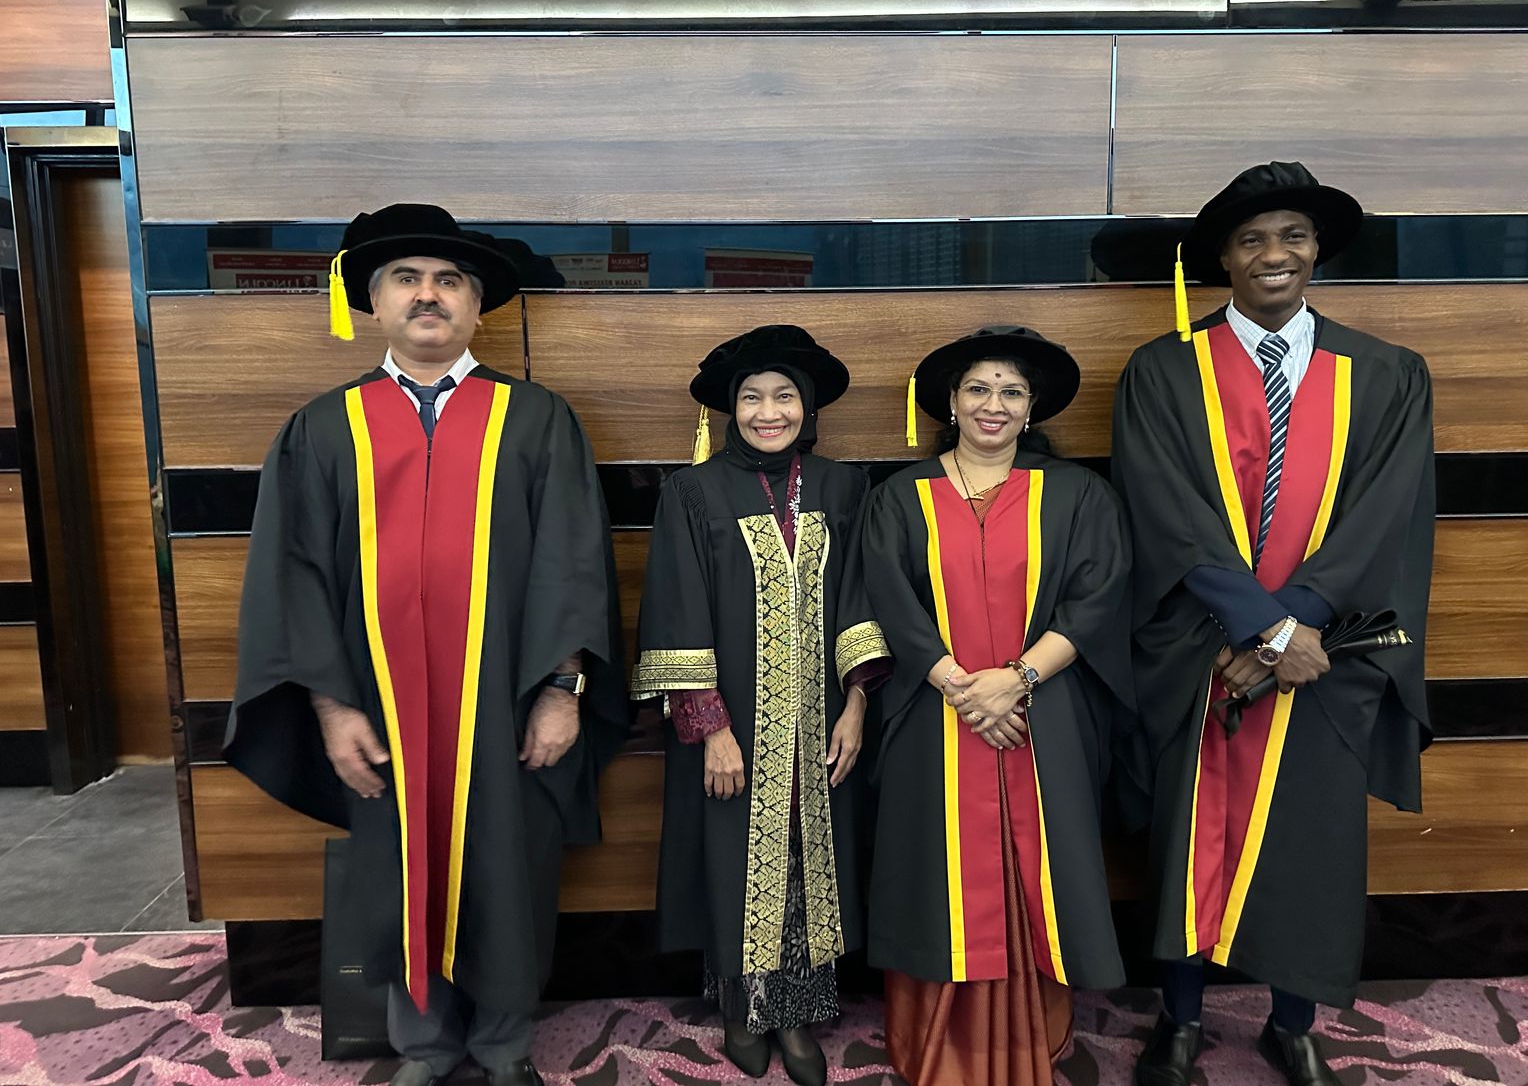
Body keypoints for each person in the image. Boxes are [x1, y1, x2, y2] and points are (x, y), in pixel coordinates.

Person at [224, 203, 628, 1086]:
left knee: (510, 866)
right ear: (372, 302)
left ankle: (505, 1045)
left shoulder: (534, 419)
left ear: (477, 306)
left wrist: (562, 689)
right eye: (405, 279)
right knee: (395, 865)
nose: (428, 295)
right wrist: (331, 707)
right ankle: (424, 1046)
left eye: (449, 280)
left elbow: (572, 561)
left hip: (505, 700)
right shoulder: (325, 428)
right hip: (379, 706)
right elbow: (294, 576)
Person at [1110, 162, 1435, 1086]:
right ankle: (1180, 1018)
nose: (1274, 253)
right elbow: (1166, 511)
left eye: (1292, 235)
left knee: (1312, 844)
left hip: (1329, 651)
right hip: (1200, 648)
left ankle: (1293, 1023)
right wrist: (1264, 631)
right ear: (1223, 257)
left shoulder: (1387, 374)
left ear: (1318, 248)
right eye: (1251, 239)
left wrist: (1296, 629)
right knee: (1189, 837)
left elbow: (1384, 517)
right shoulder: (1165, 371)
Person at [858, 325, 1133, 1086]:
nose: (994, 404)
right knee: (936, 871)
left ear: (1031, 406)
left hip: (1045, 713)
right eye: (978, 388)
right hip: (932, 715)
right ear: (950, 401)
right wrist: (961, 686)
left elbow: (1098, 596)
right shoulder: (899, 498)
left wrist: (1017, 679)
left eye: (1012, 391)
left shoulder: (1078, 494)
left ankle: (1033, 1037)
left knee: (1039, 863)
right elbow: (887, 598)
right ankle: (936, 1042)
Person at [633, 325, 890, 1086]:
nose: (767, 412)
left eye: (784, 397)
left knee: (811, 862)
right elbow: (677, 608)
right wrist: (711, 728)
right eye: (751, 398)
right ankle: (744, 1009)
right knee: (734, 859)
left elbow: (862, 597)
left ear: (807, 407)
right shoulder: (693, 492)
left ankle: (798, 1013)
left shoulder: (844, 489)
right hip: (735, 723)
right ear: (730, 409)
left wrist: (856, 706)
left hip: (821, 722)